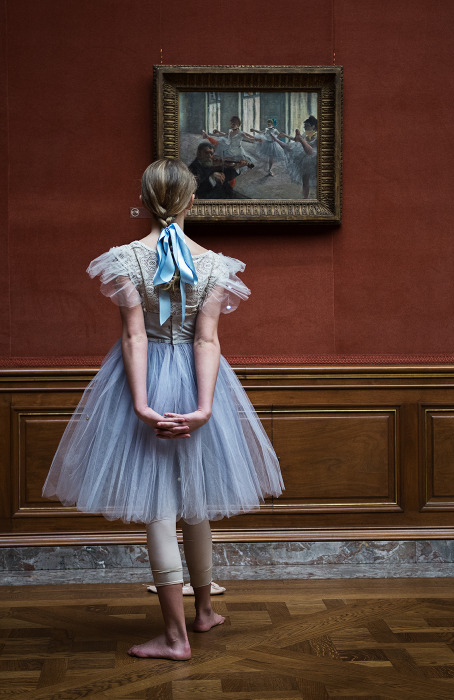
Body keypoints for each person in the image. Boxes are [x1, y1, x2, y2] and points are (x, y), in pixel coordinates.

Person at [42, 158, 283, 660]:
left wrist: (141, 404)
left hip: (145, 376)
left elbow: (134, 334)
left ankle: (176, 637)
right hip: (197, 382)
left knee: (158, 507)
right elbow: (206, 341)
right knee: (193, 502)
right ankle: (202, 614)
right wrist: (203, 407)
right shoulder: (215, 265)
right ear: (192, 201)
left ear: (145, 200)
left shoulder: (125, 259)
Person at [271, 115, 318, 198]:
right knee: (289, 147)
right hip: (305, 156)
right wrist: (285, 135)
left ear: (313, 126)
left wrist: (300, 139)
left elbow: (312, 149)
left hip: (314, 156)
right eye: (304, 126)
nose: (305, 128)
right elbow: (295, 139)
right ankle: (305, 198)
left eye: (307, 126)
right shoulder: (306, 133)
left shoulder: (317, 135)